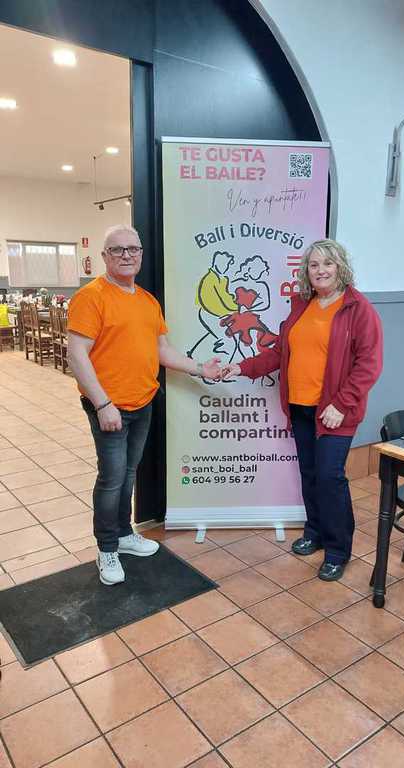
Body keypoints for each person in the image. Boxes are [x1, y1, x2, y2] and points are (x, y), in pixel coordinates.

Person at [67, 224, 221, 586]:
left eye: (132, 249)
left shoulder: (148, 301)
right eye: (117, 249)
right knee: (111, 479)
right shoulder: (91, 297)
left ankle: (123, 534)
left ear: (141, 254)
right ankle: (107, 548)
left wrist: (202, 368)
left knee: (128, 474)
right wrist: (102, 403)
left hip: (143, 402)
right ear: (105, 256)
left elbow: (162, 350)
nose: (126, 255)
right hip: (109, 408)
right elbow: (76, 354)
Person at [222, 239, 383, 581]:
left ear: (340, 267)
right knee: (309, 474)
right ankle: (316, 532)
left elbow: (369, 364)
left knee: (330, 477)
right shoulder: (302, 305)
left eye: (328, 263)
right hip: (300, 406)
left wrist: (341, 403)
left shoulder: (358, 308)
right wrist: (242, 368)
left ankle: (337, 550)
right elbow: (280, 352)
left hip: (335, 412)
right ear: (306, 271)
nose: (320, 270)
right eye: (314, 265)